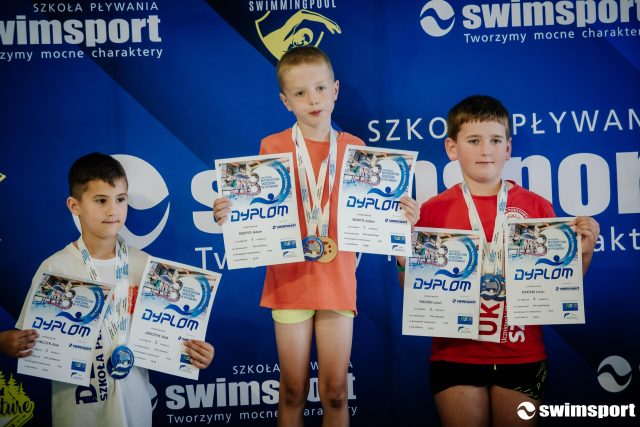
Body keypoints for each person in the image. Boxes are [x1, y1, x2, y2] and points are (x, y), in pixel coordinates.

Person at [214, 46, 416, 427]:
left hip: (337, 279)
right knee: (292, 391)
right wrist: (231, 213)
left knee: (336, 392)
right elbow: (259, 211)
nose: (314, 100)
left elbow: (374, 218)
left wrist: (400, 218)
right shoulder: (272, 147)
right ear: (285, 101)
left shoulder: (356, 148)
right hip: (289, 279)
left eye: (321, 88)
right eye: (301, 93)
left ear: (335, 90)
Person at [397, 95, 599, 427]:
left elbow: (560, 287)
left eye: (494, 140)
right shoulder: (431, 211)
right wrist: (403, 255)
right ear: (452, 148)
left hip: (522, 351)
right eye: (474, 141)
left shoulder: (536, 208)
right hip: (455, 353)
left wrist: (585, 252)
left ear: (508, 148)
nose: (485, 150)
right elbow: (412, 289)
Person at [13, 153, 215, 427]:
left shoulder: (148, 268)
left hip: (135, 410)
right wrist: (11, 343)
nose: (113, 210)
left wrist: (194, 352)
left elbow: (168, 340)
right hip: (78, 413)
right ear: (74, 205)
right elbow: (29, 341)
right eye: (101, 201)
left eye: (120, 199)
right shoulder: (55, 268)